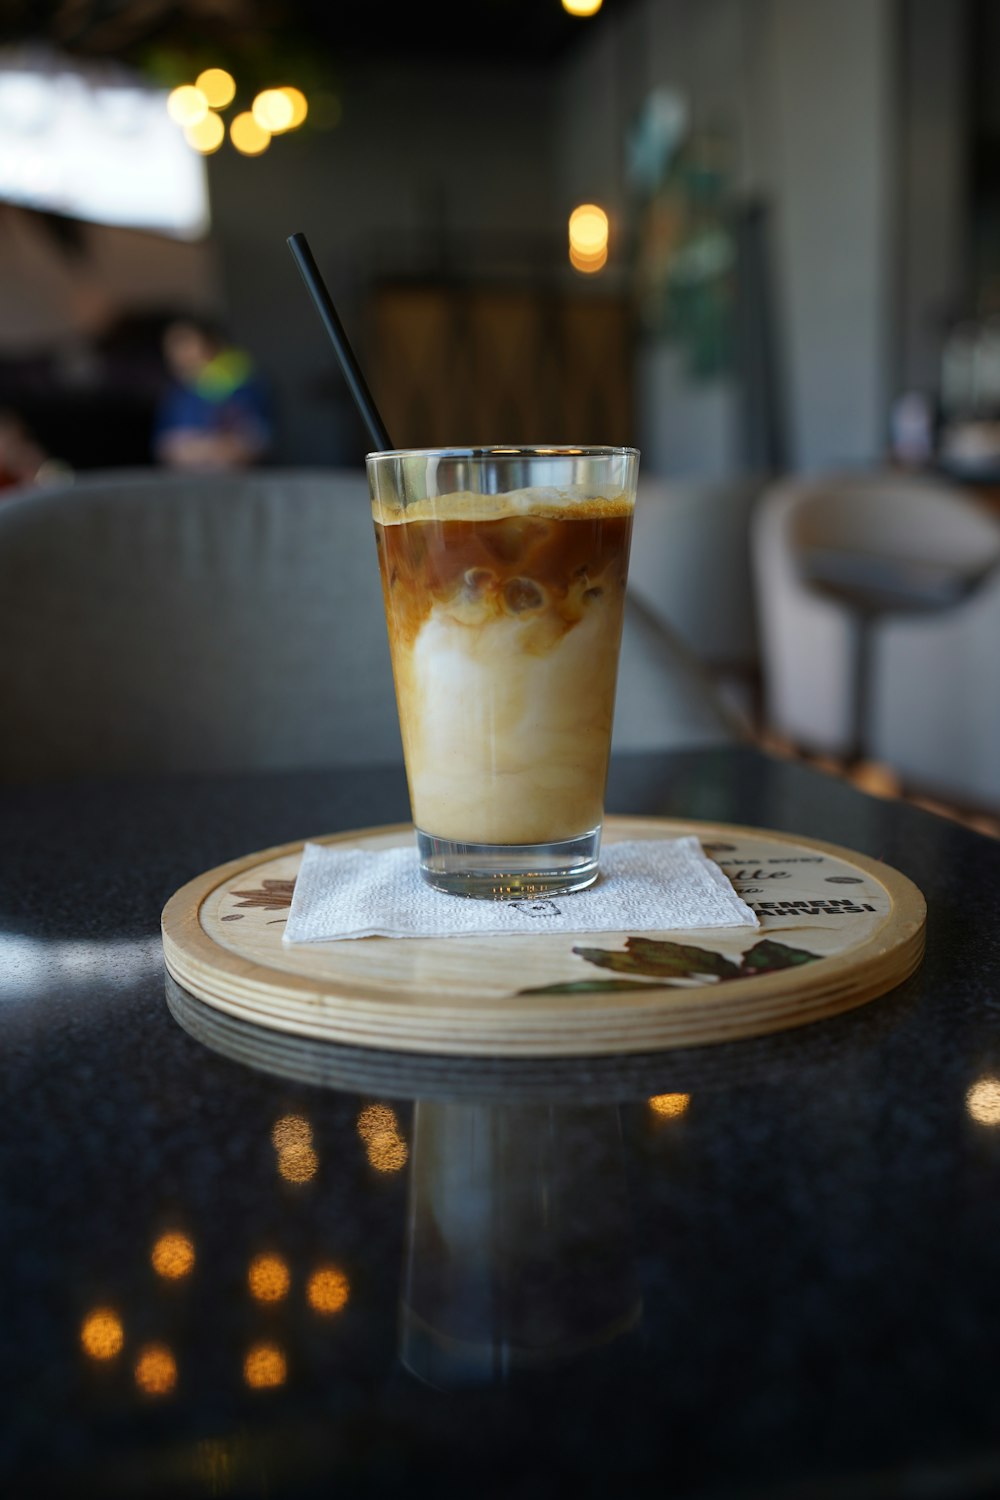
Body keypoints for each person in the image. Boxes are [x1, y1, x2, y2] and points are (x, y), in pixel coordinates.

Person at [154, 316, 272, 470]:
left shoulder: (245, 384)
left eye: (185, 343)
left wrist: (201, 448)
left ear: (211, 343)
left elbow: (256, 443)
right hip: (190, 485)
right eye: (171, 346)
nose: (177, 354)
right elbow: (165, 448)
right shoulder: (177, 394)